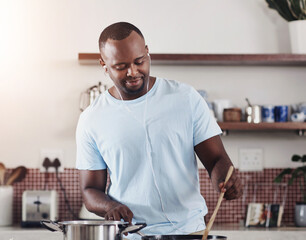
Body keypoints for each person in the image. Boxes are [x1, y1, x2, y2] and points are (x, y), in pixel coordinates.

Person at [76, 22, 242, 238]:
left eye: (139, 61)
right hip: (132, 234)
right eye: (120, 66)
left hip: (190, 232)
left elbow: (217, 159)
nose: (133, 72)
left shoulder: (185, 98)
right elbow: (90, 190)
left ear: (147, 52)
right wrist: (109, 206)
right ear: (104, 65)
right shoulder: (91, 118)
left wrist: (224, 178)